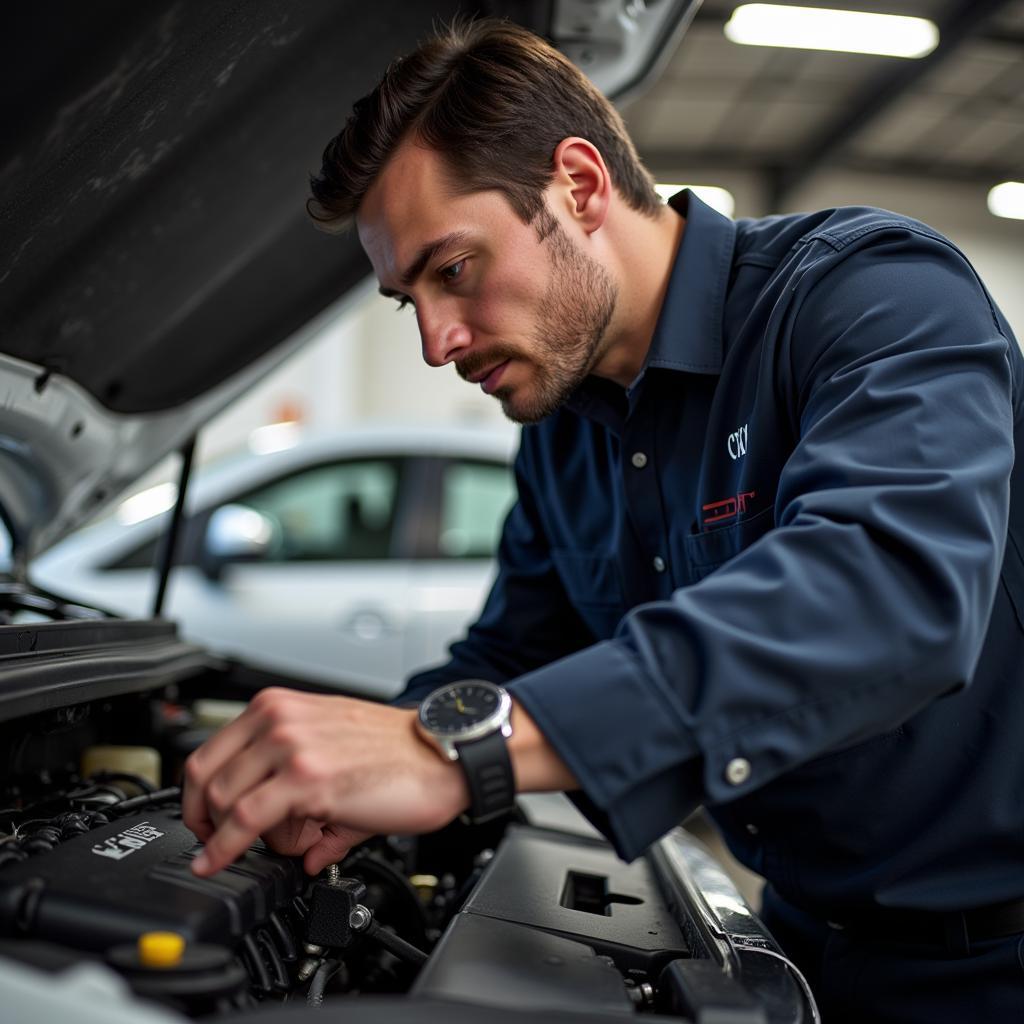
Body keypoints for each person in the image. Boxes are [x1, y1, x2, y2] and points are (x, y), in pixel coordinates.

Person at [182, 19, 1024, 1022]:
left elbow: (887, 593)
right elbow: (509, 653)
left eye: (452, 270)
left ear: (577, 187)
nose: (437, 342)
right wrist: (355, 752)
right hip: (798, 937)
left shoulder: (868, 293)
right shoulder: (561, 434)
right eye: (408, 301)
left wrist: (458, 755)